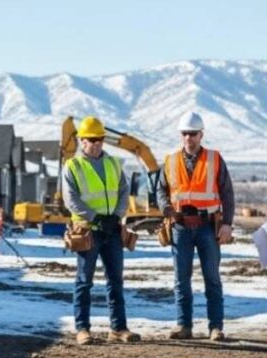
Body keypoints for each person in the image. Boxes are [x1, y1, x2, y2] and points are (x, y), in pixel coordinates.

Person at [155, 111, 235, 341]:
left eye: (193, 134)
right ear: (181, 135)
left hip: (208, 226)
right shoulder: (170, 161)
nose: (189, 138)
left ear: (201, 135)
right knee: (181, 280)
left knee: (212, 278)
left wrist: (227, 224)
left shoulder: (215, 159)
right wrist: (166, 208)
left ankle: (216, 327)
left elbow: (227, 194)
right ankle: (184, 325)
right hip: (180, 227)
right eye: (185, 134)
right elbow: (160, 190)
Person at [62, 116, 139, 345]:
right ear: (82, 141)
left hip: (113, 230)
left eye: (99, 139)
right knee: (84, 280)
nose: (96, 143)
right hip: (88, 231)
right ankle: (82, 329)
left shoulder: (114, 163)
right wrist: (96, 218)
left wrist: (116, 215)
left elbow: (124, 191)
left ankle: (118, 328)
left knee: (115, 280)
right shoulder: (73, 166)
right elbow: (71, 200)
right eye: (91, 139)